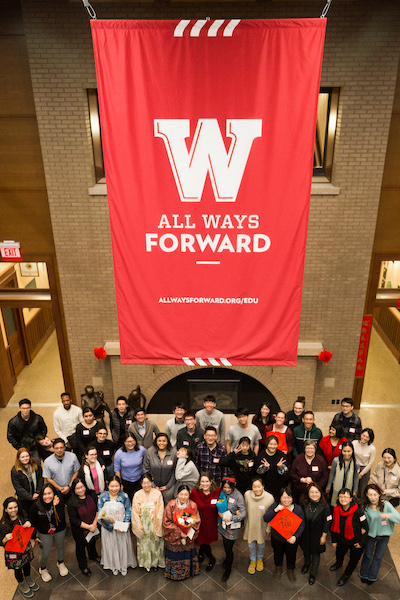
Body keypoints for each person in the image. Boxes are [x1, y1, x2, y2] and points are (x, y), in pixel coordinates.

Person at [359, 483, 400, 585]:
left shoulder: (386, 505)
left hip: (384, 536)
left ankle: (372, 576)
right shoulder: (365, 507)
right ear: (366, 496)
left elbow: (398, 518)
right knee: (368, 555)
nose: (373, 497)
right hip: (370, 535)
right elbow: (363, 522)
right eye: (370, 495)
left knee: (378, 556)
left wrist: (388, 515)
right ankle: (363, 573)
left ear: (379, 494)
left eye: (375, 494)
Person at [97, 475, 137, 575]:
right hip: (108, 527)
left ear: (120, 486)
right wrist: (111, 525)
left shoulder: (124, 496)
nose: (114, 489)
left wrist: (123, 524)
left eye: (116, 486)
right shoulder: (103, 497)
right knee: (110, 545)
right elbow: (100, 513)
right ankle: (113, 565)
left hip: (121, 526)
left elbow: (129, 510)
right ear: (108, 486)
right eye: (112, 486)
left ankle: (123, 565)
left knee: (122, 545)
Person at [263, 487, 305, 581]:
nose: (286, 500)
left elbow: (302, 525)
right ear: (280, 498)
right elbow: (265, 518)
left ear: (293, 498)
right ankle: (278, 568)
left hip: (291, 539)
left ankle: (290, 570)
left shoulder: (297, 509)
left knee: (292, 554)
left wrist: (295, 536)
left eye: (289, 497)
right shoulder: (275, 506)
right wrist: (275, 510)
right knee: (277, 554)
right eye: (284, 497)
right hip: (277, 538)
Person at [0, 497, 38, 598]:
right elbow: (0, 542)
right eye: (10, 508)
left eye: (15, 507)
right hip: (13, 551)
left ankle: (28, 578)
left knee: (26, 563)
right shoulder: (3, 524)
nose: (13, 510)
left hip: (24, 546)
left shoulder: (22, 515)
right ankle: (22, 583)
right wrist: (4, 539)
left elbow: (30, 525)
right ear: (5, 509)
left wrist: (29, 523)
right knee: (17, 568)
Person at [30, 483, 69, 582]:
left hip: (59, 529)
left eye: (49, 493)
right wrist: (34, 536)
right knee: (46, 551)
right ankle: (42, 568)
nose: (47, 497)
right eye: (44, 494)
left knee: (60, 546)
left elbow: (60, 519)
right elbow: (33, 522)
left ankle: (60, 563)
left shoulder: (58, 500)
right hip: (44, 532)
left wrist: (56, 507)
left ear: (54, 493)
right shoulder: (36, 506)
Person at [330, 487, 368, 586]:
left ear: (351, 498)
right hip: (342, 540)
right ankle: (338, 563)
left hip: (356, 541)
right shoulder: (336, 510)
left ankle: (346, 575)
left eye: (346, 497)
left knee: (353, 560)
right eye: (341, 497)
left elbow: (366, 528)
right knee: (339, 553)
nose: (343, 499)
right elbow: (333, 525)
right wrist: (334, 540)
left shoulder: (358, 512)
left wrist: (361, 543)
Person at [163, 484, 201, 580]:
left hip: (187, 535)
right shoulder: (171, 505)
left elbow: (197, 521)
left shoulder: (193, 505)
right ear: (177, 494)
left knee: (187, 552)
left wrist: (187, 530)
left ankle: (188, 572)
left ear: (189, 495)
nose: (183, 497)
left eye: (186, 495)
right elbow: (166, 521)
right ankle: (174, 573)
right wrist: (179, 531)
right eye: (181, 494)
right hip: (174, 535)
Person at [131, 473, 165, 572]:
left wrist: (158, 523)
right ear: (141, 484)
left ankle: (155, 563)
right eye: (144, 483)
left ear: (151, 482)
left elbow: (160, 509)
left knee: (155, 543)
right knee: (144, 543)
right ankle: (145, 562)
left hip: (155, 522)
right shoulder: (137, 494)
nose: (146, 485)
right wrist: (139, 525)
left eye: (148, 482)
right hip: (143, 523)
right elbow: (135, 512)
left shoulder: (157, 493)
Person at [67, 477, 100, 576]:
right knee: (80, 547)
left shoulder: (92, 494)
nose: (80, 490)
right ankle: (83, 566)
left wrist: (94, 523)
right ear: (74, 490)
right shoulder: (71, 502)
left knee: (92, 541)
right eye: (77, 488)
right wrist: (89, 527)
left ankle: (93, 556)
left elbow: (98, 509)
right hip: (80, 530)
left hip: (93, 525)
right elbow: (74, 520)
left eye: (82, 487)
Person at [299, 483, 331, 585]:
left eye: (316, 492)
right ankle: (307, 564)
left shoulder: (325, 506)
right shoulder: (303, 504)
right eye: (311, 492)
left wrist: (324, 536)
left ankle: (313, 574)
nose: (314, 494)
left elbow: (327, 522)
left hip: (318, 534)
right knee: (306, 550)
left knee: (316, 554)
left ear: (320, 493)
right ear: (308, 494)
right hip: (305, 533)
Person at [217, 476, 246, 582]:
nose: (227, 490)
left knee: (229, 548)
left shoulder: (238, 496)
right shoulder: (222, 492)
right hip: (222, 524)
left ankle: (228, 569)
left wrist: (233, 517)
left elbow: (243, 513)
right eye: (225, 487)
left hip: (232, 527)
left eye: (229, 488)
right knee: (225, 544)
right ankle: (226, 559)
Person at [190, 472, 221, 572]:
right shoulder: (195, 492)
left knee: (206, 540)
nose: (205, 484)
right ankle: (211, 558)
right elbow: (190, 506)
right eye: (202, 481)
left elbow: (222, 503)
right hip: (199, 521)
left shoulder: (217, 491)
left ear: (211, 482)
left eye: (207, 481)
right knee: (201, 540)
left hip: (212, 521)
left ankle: (202, 553)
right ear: (199, 482)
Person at [243, 477, 274, 574]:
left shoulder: (269, 498)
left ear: (263, 486)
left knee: (261, 543)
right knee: (250, 544)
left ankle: (259, 559)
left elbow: (271, 515)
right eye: (254, 487)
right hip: (250, 524)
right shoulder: (247, 495)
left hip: (262, 526)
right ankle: (253, 560)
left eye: (259, 486)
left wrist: (268, 528)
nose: (257, 489)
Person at [143, 433, 177, 502]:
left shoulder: (173, 452)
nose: (162, 443)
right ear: (156, 442)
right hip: (152, 486)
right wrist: (153, 485)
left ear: (167, 442)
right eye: (159, 441)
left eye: (164, 441)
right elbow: (146, 470)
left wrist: (167, 486)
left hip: (169, 487)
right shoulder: (150, 452)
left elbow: (175, 471)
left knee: (168, 506)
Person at [326, 441, 360, 507]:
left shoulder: (356, 463)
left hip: (349, 487)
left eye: (349, 451)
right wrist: (329, 485)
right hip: (336, 487)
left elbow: (356, 478)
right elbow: (332, 474)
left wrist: (355, 490)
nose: (346, 453)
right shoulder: (336, 461)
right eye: (344, 451)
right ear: (341, 451)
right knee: (335, 504)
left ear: (352, 451)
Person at [11, 447, 43, 516]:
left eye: (27, 456)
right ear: (19, 458)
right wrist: (30, 497)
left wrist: (37, 492)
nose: (25, 458)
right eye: (22, 457)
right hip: (24, 500)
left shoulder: (36, 465)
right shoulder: (15, 471)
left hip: (37, 496)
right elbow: (18, 487)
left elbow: (41, 479)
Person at [114, 433, 146, 500]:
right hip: (125, 481)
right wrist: (120, 484)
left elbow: (146, 464)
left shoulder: (142, 450)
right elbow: (117, 470)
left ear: (135, 441)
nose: (130, 443)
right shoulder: (119, 453)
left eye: (132, 441)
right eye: (127, 441)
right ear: (124, 442)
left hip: (139, 480)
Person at [256, 434, 288, 501]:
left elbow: (286, 472)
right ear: (267, 444)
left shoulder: (281, 455)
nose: (272, 446)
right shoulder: (261, 454)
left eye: (274, 444)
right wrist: (264, 468)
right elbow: (257, 472)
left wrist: (281, 467)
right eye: (270, 444)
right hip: (265, 485)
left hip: (279, 485)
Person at [352, 428, 376, 500]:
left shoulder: (372, 448)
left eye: (367, 437)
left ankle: (360, 505)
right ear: (361, 434)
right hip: (354, 466)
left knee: (362, 490)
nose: (364, 438)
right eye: (363, 435)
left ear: (370, 438)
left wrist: (361, 474)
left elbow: (370, 463)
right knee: (352, 486)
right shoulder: (354, 443)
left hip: (365, 469)